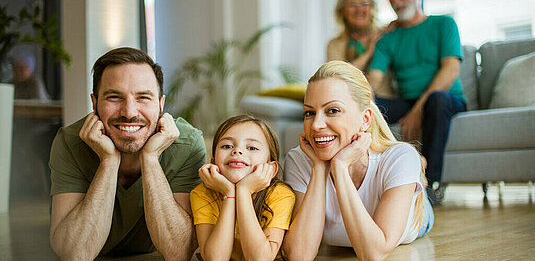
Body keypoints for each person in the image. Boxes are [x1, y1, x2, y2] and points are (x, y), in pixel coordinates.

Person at [49, 47, 206, 260]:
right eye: (114, 97)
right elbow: (74, 253)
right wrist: (109, 161)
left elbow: (179, 252)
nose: (129, 112)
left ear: (161, 105)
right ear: (95, 103)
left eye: (143, 97)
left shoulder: (186, 144)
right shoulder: (70, 142)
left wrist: (150, 159)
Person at [283, 61, 433, 261]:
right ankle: (414, 173)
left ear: (365, 120)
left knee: (408, 159)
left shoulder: (399, 158)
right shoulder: (300, 160)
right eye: (309, 112)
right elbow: (299, 255)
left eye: (333, 110)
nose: (316, 125)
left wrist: (340, 167)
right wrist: (320, 169)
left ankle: (415, 176)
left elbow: (373, 253)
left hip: (418, 217)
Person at [367, 0, 466, 205]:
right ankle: (375, 184)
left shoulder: (444, 24)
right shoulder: (388, 39)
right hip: (408, 100)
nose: (397, 0)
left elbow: (450, 70)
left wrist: (417, 111)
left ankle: (432, 186)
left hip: (447, 99)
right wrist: (366, 97)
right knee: (369, 106)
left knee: (437, 101)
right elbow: (374, 78)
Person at [191, 115, 295, 261]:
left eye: (252, 147)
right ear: (213, 162)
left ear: (271, 169)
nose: (237, 151)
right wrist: (229, 193)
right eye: (227, 146)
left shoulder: (280, 195)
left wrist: (244, 191)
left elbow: (259, 259)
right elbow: (215, 258)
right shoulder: (202, 193)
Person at [327, 0, 395, 99]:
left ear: (372, 8)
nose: (359, 10)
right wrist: (368, 53)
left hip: (385, 101)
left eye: (364, 4)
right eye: (352, 5)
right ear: (342, 11)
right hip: (348, 100)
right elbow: (338, 80)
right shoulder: (335, 44)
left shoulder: (385, 35)